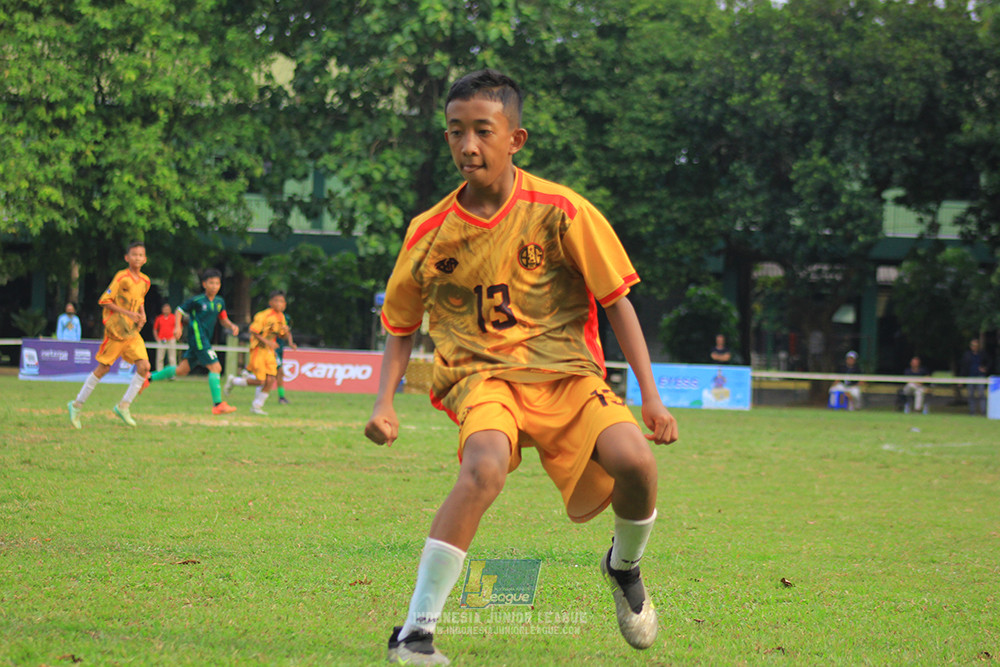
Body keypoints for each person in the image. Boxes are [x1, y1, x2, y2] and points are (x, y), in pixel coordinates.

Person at [364, 69, 679, 665]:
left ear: (516, 138)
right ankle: (414, 634)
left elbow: (617, 300)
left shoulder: (563, 211)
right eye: (455, 131)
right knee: (483, 468)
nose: (468, 145)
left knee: (636, 462)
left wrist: (651, 396)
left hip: (566, 372)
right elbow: (401, 324)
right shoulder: (428, 232)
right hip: (481, 377)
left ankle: (624, 566)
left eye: (483, 131)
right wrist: (384, 404)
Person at [66, 242, 151, 428]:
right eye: (134, 254)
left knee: (144, 367)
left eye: (140, 255)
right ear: (127, 258)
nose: (137, 258)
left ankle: (123, 406)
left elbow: (140, 300)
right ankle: (76, 405)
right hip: (116, 331)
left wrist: (142, 314)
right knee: (103, 368)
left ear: (145, 259)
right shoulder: (122, 277)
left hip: (132, 332)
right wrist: (128, 314)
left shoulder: (145, 281)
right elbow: (104, 301)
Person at [147, 269, 239, 414]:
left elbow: (223, 319)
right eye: (211, 283)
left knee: (181, 370)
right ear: (204, 284)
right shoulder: (197, 301)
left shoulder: (219, 302)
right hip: (198, 338)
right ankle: (217, 404)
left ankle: (149, 378)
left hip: (203, 340)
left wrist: (232, 325)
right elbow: (179, 311)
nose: (214, 286)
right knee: (216, 368)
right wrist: (178, 327)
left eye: (217, 283)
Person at [222, 290, 293, 414]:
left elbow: (282, 336)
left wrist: (286, 332)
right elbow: (253, 331)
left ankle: (257, 406)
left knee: (271, 379)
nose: (279, 304)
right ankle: (234, 381)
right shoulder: (263, 316)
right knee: (261, 381)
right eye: (276, 301)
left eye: (281, 301)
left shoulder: (281, 317)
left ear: (285, 304)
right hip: (258, 349)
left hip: (269, 351)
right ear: (270, 302)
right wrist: (268, 342)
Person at [960, 338, 990, 416]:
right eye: (973, 345)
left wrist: (985, 368)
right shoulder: (967, 355)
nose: (974, 347)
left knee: (981, 394)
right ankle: (972, 412)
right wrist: (961, 379)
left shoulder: (983, 354)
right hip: (970, 377)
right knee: (970, 395)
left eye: (976, 346)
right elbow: (963, 367)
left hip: (980, 377)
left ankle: (983, 412)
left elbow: (989, 362)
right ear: (970, 346)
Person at [152, 303, 177, 371]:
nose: (166, 310)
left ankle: (173, 373)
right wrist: (157, 338)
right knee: (160, 357)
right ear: (162, 310)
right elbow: (155, 329)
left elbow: (178, 327)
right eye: (165, 309)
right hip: (162, 339)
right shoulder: (159, 318)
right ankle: (159, 372)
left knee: (172, 357)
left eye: (167, 309)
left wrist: (176, 337)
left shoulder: (174, 317)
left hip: (171, 339)